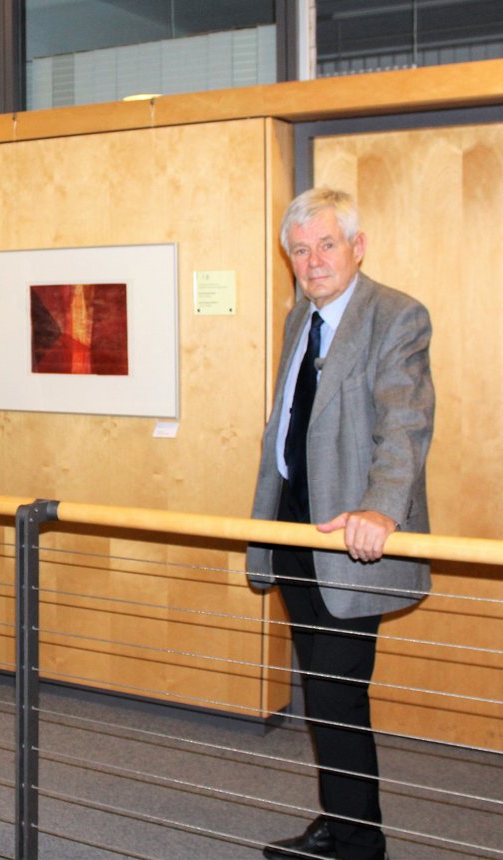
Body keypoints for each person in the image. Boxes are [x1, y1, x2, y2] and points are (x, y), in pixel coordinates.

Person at [248, 188, 435, 860]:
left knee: (335, 696)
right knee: (323, 694)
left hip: (356, 545)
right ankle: (340, 820)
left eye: (327, 244)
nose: (313, 259)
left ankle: (360, 844)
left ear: (357, 246)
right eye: (299, 249)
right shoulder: (302, 315)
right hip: (296, 532)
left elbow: (405, 422)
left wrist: (382, 507)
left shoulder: (397, 317)